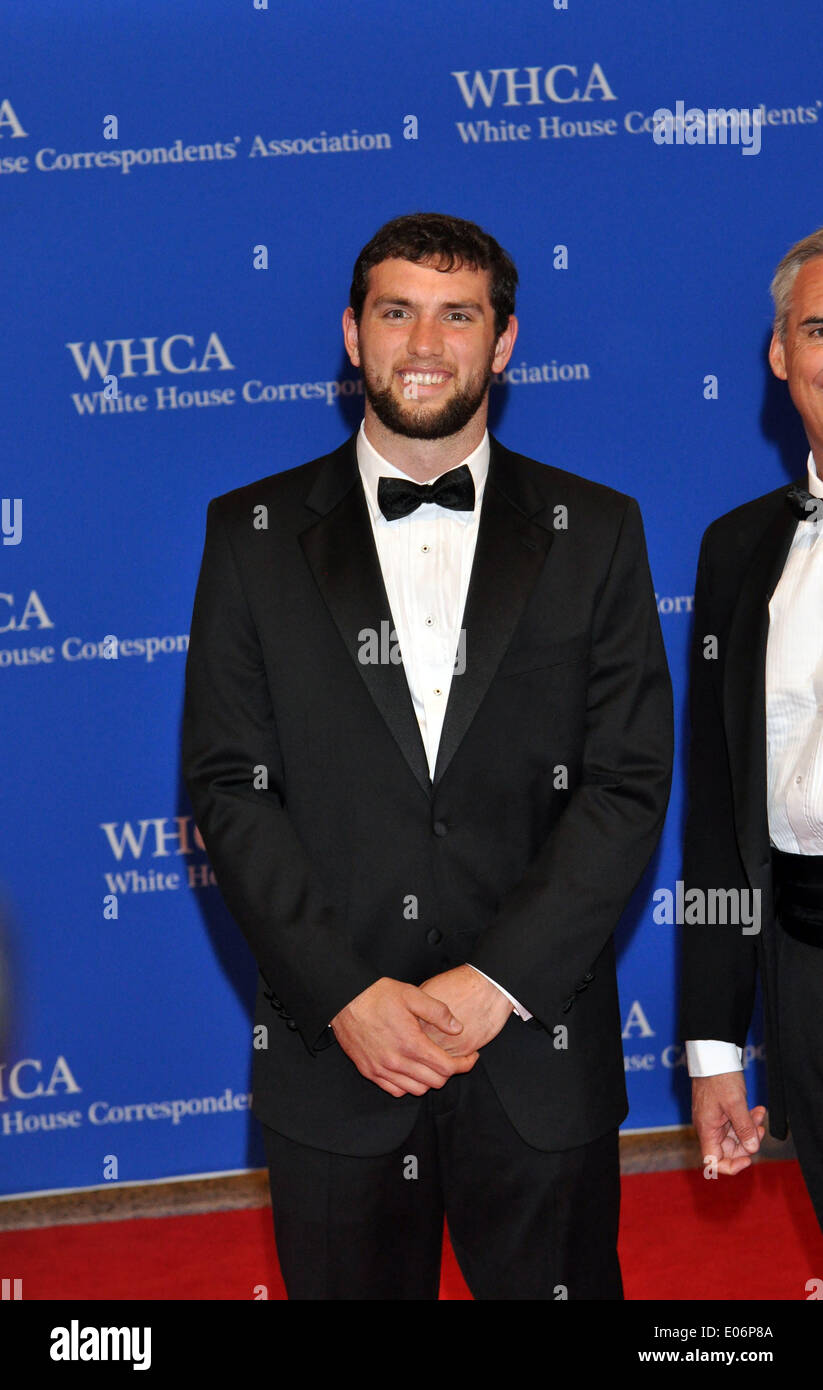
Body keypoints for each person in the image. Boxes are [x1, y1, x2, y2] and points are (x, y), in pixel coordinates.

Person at [182, 211, 673, 1300]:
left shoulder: (595, 529)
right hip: (335, 1056)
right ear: (351, 335)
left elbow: (626, 780)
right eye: (396, 312)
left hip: (535, 1050)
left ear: (503, 345)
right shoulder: (248, 534)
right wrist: (349, 992)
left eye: (459, 316)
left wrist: (496, 982)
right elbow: (228, 784)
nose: (424, 343)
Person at [681, 226, 823, 1231]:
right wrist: (715, 1047)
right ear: (780, 357)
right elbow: (718, 823)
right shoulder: (736, 552)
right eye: (821, 329)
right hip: (803, 961)